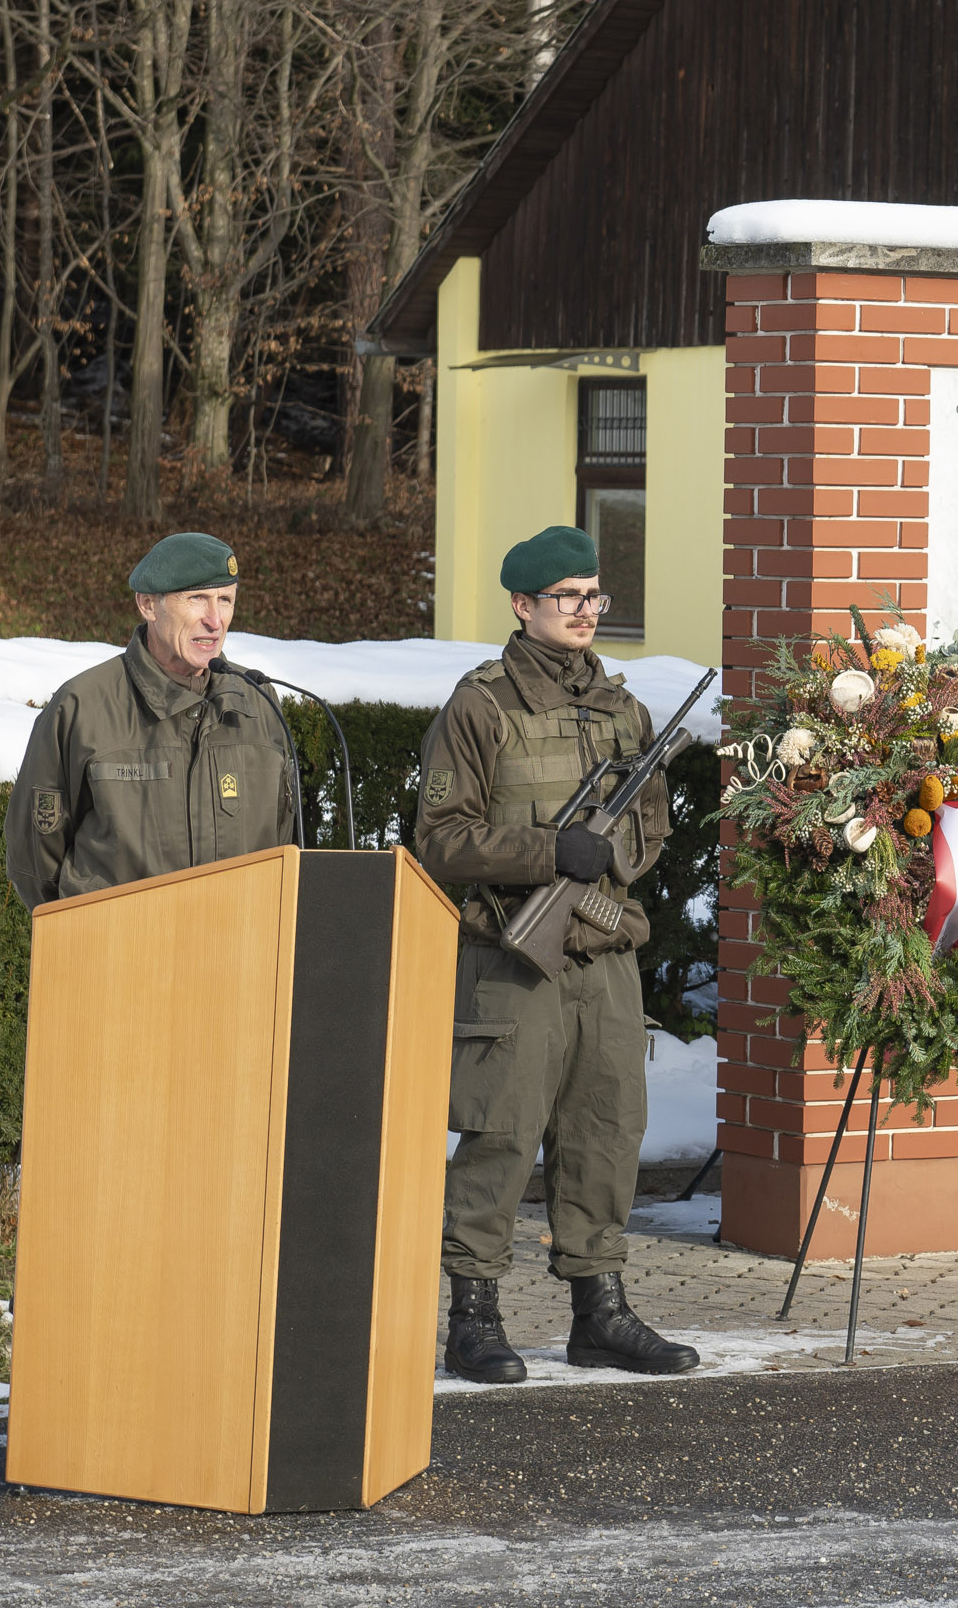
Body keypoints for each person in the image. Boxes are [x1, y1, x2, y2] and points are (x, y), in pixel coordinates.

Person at [414, 524, 695, 1382]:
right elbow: (439, 839)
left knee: (607, 1131)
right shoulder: (482, 705)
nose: (584, 611)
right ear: (523, 606)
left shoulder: (624, 708)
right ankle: (473, 1316)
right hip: (511, 956)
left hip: (603, 957)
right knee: (502, 1135)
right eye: (566, 597)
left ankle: (598, 1312)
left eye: (593, 594)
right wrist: (547, 855)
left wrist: (607, 858)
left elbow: (648, 830)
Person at [6, 532, 300, 908]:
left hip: (236, 954)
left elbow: (282, 843)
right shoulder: (81, 706)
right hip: (118, 954)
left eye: (225, 600)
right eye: (197, 598)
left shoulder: (257, 703)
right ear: (148, 605)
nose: (215, 620)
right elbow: (35, 861)